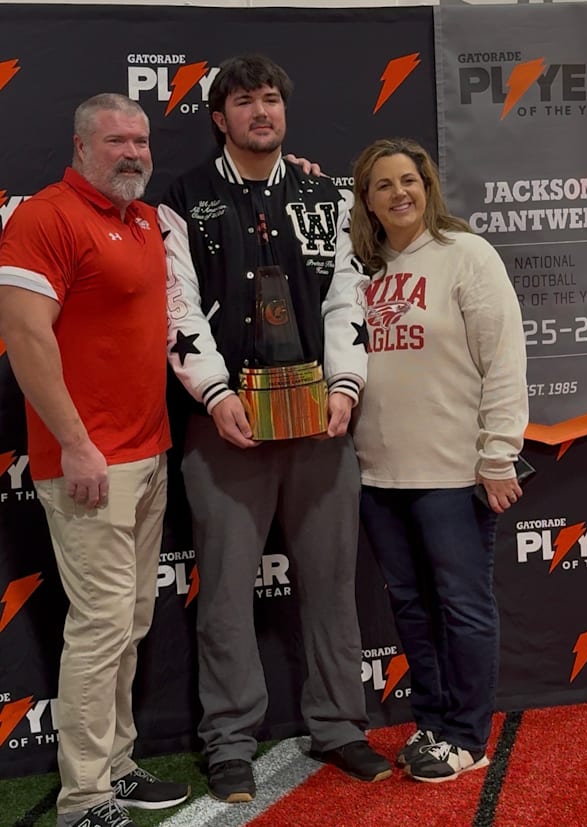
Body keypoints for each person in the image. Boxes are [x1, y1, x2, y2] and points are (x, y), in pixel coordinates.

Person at [158, 54, 392, 803]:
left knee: (332, 584)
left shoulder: (326, 194)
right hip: (226, 427)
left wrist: (346, 385)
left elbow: (347, 296)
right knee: (226, 592)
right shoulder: (183, 198)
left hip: (320, 424)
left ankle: (340, 725)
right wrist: (214, 393)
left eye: (271, 100)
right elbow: (176, 307)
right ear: (218, 118)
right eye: (244, 102)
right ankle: (230, 741)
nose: (261, 112)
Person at [0, 93, 189, 827]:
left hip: (148, 453)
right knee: (103, 626)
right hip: (89, 463)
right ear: (81, 146)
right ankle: (83, 797)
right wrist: (78, 443)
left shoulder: (142, 219)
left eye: (140, 140)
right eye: (116, 141)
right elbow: (26, 338)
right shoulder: (45, 218)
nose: (132, 152)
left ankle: (115, 764)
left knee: (129, 622)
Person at [349, 137, 528, 783]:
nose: (399, 192)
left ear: (427, 188)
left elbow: (503, 357)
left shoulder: (466, 254)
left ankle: (467, 735)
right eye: (383, 184)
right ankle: (432, 721)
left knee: (462, 606)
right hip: (378, 474)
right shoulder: (362, 272)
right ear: (366, 201)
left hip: (453, 472)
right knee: (411, 607)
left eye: (410, 180)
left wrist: (499, 454)